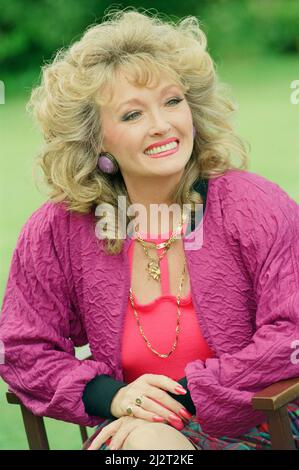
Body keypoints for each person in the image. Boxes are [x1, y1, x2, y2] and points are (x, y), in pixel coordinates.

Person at [0, 8, 299, 451]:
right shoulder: (57, 230)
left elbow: (291, 334)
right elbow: (23, 347)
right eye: (132, 115)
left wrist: (175, 402)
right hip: (131, 428)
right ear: (96, 139)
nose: (162, 125)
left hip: (256, 424)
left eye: (173, 101)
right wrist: (113, 396)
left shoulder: (256, 206)